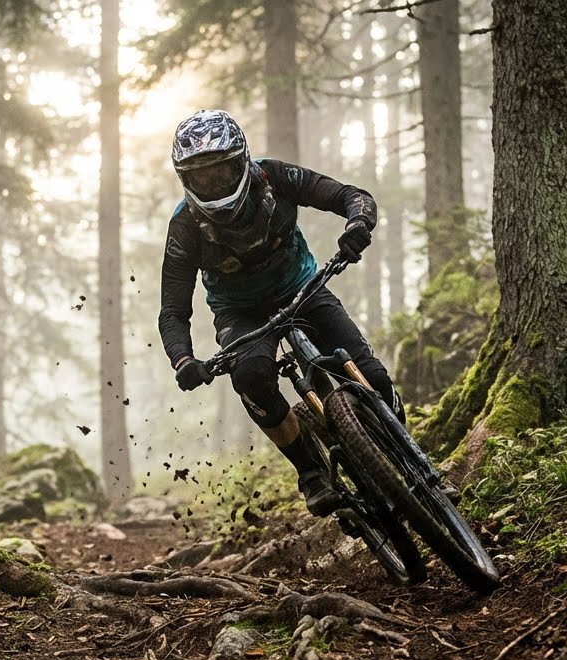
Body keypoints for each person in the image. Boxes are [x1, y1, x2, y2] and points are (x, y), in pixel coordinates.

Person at [158, 108, 418, 518]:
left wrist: (357, 225)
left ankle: (412, 461)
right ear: (185, 179)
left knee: (375, 377)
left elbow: (349, 195)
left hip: (303, 288)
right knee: (251, 377)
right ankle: (311, 471)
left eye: (221, 173)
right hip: (239, 314)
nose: (212, 185)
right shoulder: (184, 227)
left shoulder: (276, 177)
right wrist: (183, 359)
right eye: (201, 178)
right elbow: (173, 310)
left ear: (242, 163)